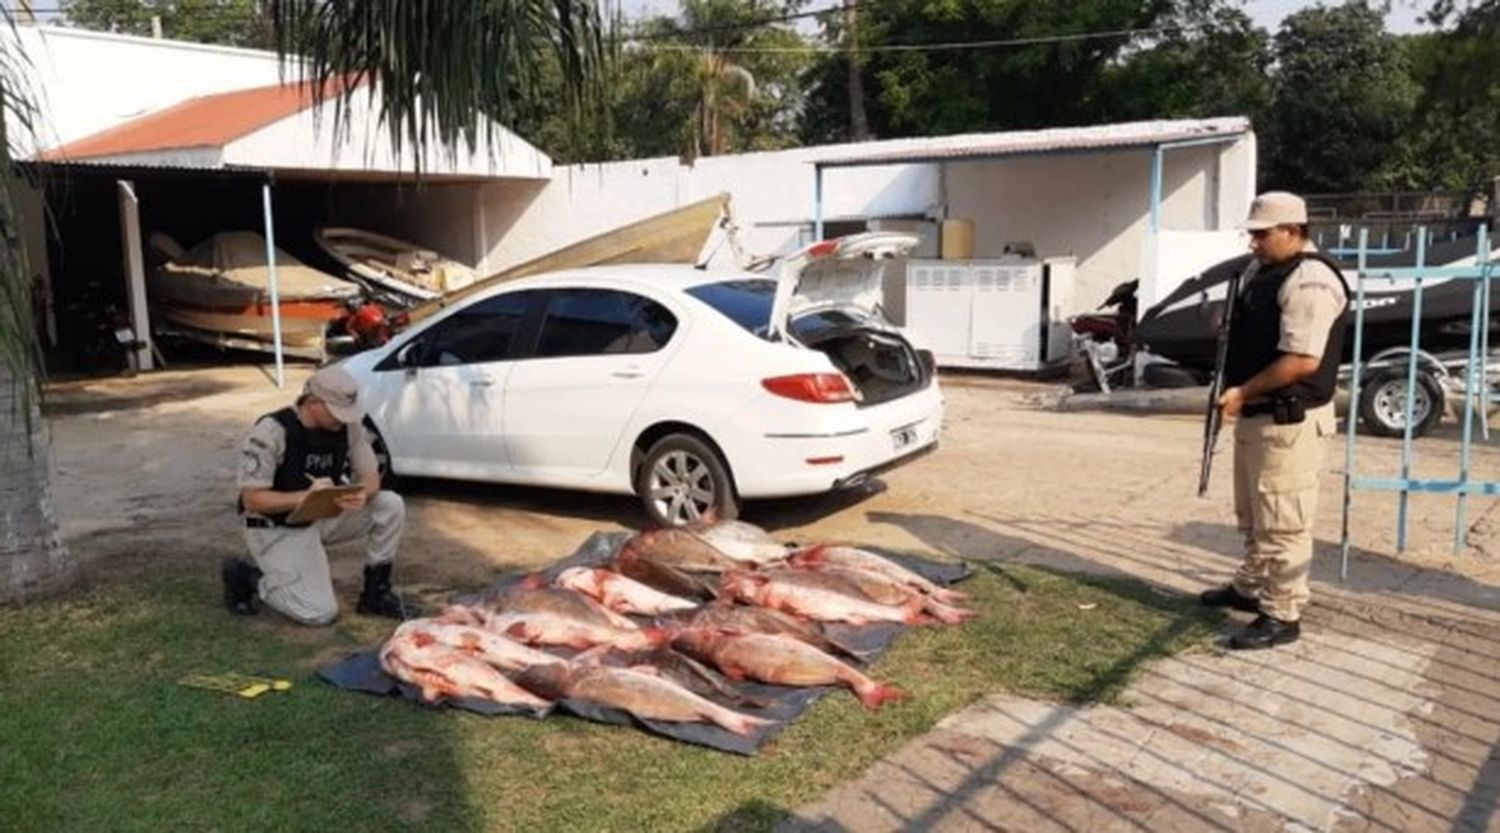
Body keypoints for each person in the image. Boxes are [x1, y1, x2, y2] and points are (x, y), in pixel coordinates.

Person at [1199, 191, 1349, 650]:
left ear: (1293, 230)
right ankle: (1250, 587)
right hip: (1258, 416)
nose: (1254, 243)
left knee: (1283, 520)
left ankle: (1282, 613)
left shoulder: (1311, 281)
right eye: (1252, 234)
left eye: (1262, 234)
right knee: (1254, 514)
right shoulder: (1262, 271)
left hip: (1289, 420)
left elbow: (1303, 360)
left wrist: (1242, 391)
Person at [222, 365, 408, 624]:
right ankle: (247, 577)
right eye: (335, 413)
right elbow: (253, 499)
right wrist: (303, 497)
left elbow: (371, 477)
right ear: (312, 403)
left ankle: (376, 593)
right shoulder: (272, 431)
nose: (342, 420)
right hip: (275, 526)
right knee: (319, 612)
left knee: (390, 504)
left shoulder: (348, 426)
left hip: (322, 515)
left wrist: (362, 494)